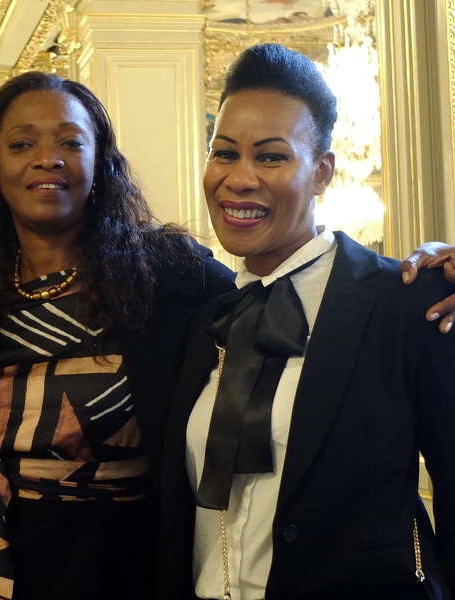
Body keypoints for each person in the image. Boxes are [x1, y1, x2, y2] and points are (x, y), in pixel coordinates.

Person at [0, 71, 234, 600]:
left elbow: (268, 306)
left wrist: (397, 280)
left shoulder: (171, 278)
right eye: (21, 144)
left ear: (100, 165)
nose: (47, 157)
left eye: (70, 142)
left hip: (123, 567)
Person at [160, 44, 454, 600]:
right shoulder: (208, 317)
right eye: (223, 153)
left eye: (271, 157)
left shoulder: (408, 302)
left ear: (322, 172)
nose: (239, 178)